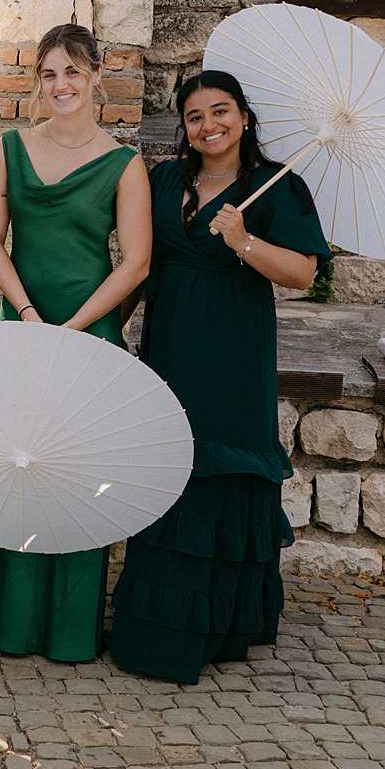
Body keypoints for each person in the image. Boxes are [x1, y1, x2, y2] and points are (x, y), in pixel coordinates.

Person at [110, 70, 329, 685]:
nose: (210, 125)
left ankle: (222, 625)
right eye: (196, 115)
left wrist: (243, 240)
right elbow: (141, 265)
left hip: (234, 352)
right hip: (170, 346)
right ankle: (156, 623)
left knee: (221, 469)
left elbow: (304, 273)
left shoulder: (277, 186)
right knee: (169, 463)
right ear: (183, 127)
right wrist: (105, 334)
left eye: (221, 111)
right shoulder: (162, 181)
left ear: (245, 117)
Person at [0, 23, 151, 662]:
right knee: (16, 461)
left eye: (72, 72)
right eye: (49, 74)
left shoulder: (125, 163)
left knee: (76, 472)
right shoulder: (9, 148)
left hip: (89, 329)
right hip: (25, 324)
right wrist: (29, 313)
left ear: (96, 76)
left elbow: (136, 263)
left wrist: (75, 327)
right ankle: (1, 614)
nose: (60, 85)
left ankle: (67, 629)